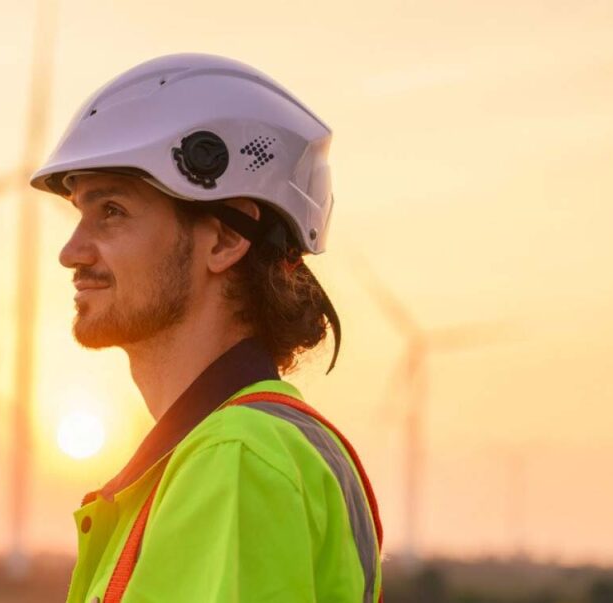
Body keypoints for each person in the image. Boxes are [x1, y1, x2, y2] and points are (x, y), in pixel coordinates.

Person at [31, 53, 383, 603]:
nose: (70, 252)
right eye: (80, 212)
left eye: (113, 211)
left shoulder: (236, 458)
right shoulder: (244, 450)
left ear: (223, 240)